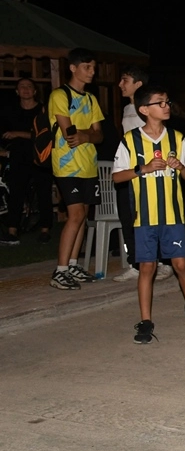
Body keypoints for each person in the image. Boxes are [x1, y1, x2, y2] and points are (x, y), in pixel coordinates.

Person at [110, 86, 185, 343]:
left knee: (181, 265)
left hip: (173, 216)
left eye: (167, 101)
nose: (166, 106)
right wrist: (143, 168)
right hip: (144, 217)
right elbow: (117, 176)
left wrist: (180, 167)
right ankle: (145, 321)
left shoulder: (177, 138)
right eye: (160, 102)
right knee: (147, 268)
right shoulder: (130, 140)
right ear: (144, 110)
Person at [112, 67, 175, 283]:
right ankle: (137, 263)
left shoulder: (149, 110)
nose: (121, 84)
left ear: (138, 84)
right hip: (131, 172)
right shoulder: (128, 109)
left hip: (150, 175)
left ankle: (163, 262)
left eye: (125, 80)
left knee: (154, 217)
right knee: (129, 217)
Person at [49, 48, 105, 291]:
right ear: (73, 68)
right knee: (75, 215)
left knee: (83, 215)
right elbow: (69, 134)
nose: (92, 72)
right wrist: (86, 135)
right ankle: (59, 271)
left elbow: (100, 135)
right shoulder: (59, 95)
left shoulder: (91, 99)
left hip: (88, 165)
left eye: (93, 67)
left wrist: (87, 136)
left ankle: (72, 264)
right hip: (67, 165)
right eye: (87, 67)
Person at [0, 78, 54, 246]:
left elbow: (46, 135)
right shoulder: (10, 111)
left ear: (35, 91)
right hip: (18, 157)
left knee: (44, 192)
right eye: (22, 87)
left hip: (40, 157)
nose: (25, 89)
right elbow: (4, 134)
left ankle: (45, 229)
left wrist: (18, 134)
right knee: (16, 192)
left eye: (29, 86)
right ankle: (12, 231)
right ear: (17, 91)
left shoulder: (43, 110)